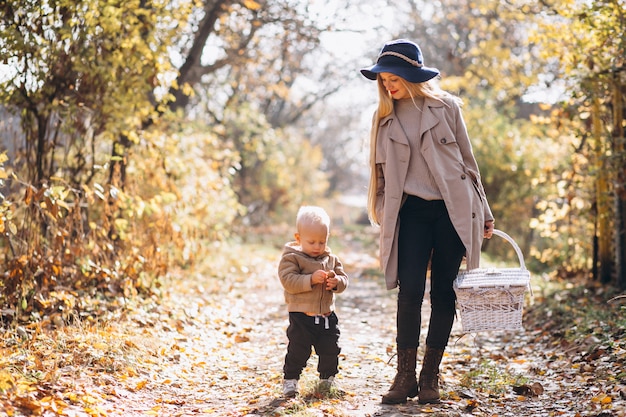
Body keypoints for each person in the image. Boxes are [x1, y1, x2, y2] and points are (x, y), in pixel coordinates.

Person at [359, 39, 495, 405]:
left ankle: (430, 374)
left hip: (452, 211)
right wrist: (384, 209)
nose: (388, 85)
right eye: (384, 80)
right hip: (411, 214)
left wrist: (484, 211)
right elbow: (380, 174)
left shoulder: (446, 107)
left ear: (412, 76)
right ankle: (404, 377)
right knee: (410, 293)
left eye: (394, 78)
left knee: (444, 294)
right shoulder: (383, 117)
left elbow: (469, 163)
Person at [278, 206, 349, 398]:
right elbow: (288, 281)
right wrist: (310, 279)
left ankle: (327, 380)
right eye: (311, 242)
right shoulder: (292, 258)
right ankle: (291, 380)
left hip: (326, 315)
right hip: (302, 317)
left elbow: (344, 279)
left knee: (331, 349)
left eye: (322, 241)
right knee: (298, 351)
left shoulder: (331, 259)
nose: (317, 247)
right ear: (299, 238)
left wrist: (337, 282)